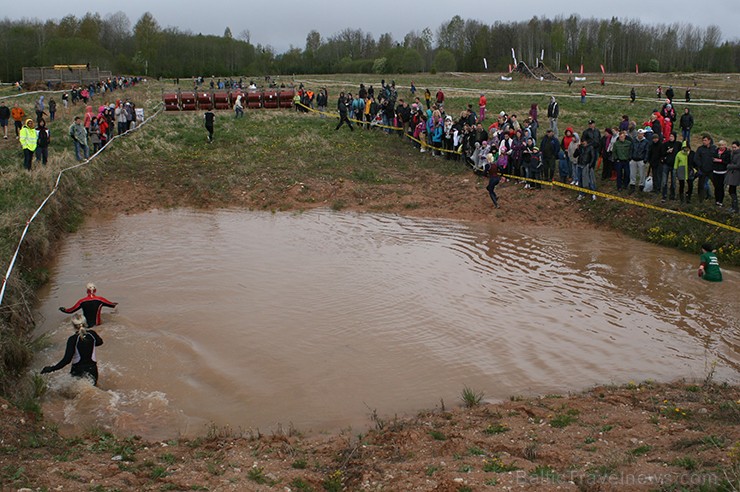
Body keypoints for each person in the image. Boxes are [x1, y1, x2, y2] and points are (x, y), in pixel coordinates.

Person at [40, 314, 104, 386]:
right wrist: (88, 344)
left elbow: (67, 360)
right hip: (93, 370)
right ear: (85, 323)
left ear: (73, 325)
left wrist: (52, 368)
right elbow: (100, 342)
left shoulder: (72, 339)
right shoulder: (92, 334)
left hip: (78, 371)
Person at [711, 140, 730, 207]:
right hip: (715, 171)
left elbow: (727, 161)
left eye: (722, 145)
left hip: (723, 172)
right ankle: (716, 200)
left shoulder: (727, 153)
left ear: (725, 145)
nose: (721, 147)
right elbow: (712, 158)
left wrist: (720, 160)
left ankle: (720, 201)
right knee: (716, 187)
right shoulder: (715, 151)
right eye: (720, 145)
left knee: (721, 187)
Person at [727, 140, 740, 213]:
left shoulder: (739, 155)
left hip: (736, 174)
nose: (733, 149)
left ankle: (735, 207)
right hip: (732, 174)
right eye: (732, 147)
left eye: (735, 147)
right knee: (731, 190)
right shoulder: (733, 153)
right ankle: (733, 206)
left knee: (732, 190)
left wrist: (729, 166)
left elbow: (738, 165)